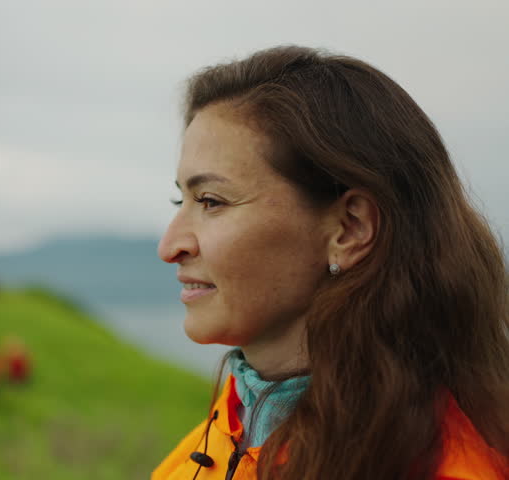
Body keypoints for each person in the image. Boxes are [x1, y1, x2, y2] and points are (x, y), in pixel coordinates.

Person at [152, 46, 508, 480]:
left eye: (211, 201)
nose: (170, 246)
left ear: (350, 228)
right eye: (181, 199)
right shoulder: (212, 445)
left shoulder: (444, 468)